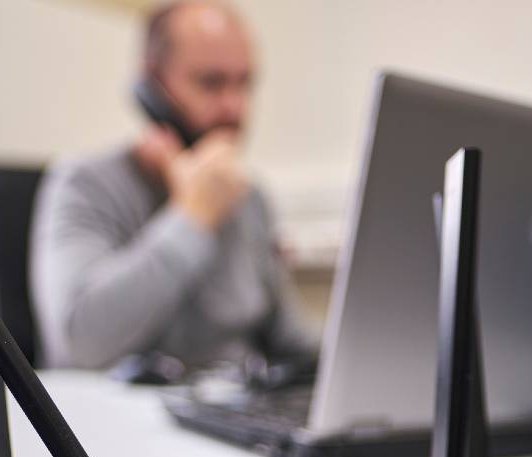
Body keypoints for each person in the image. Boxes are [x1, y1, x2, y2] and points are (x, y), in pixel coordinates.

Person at [30, 0, 317, 370]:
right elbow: (80, 343)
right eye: (211, 82)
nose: (234, 108)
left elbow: (292, 342)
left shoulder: (248, 199)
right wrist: (192, 216)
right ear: (152, 86)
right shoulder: (83, 184)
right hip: (117, 421)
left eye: (244, 83)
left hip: (231, 414)